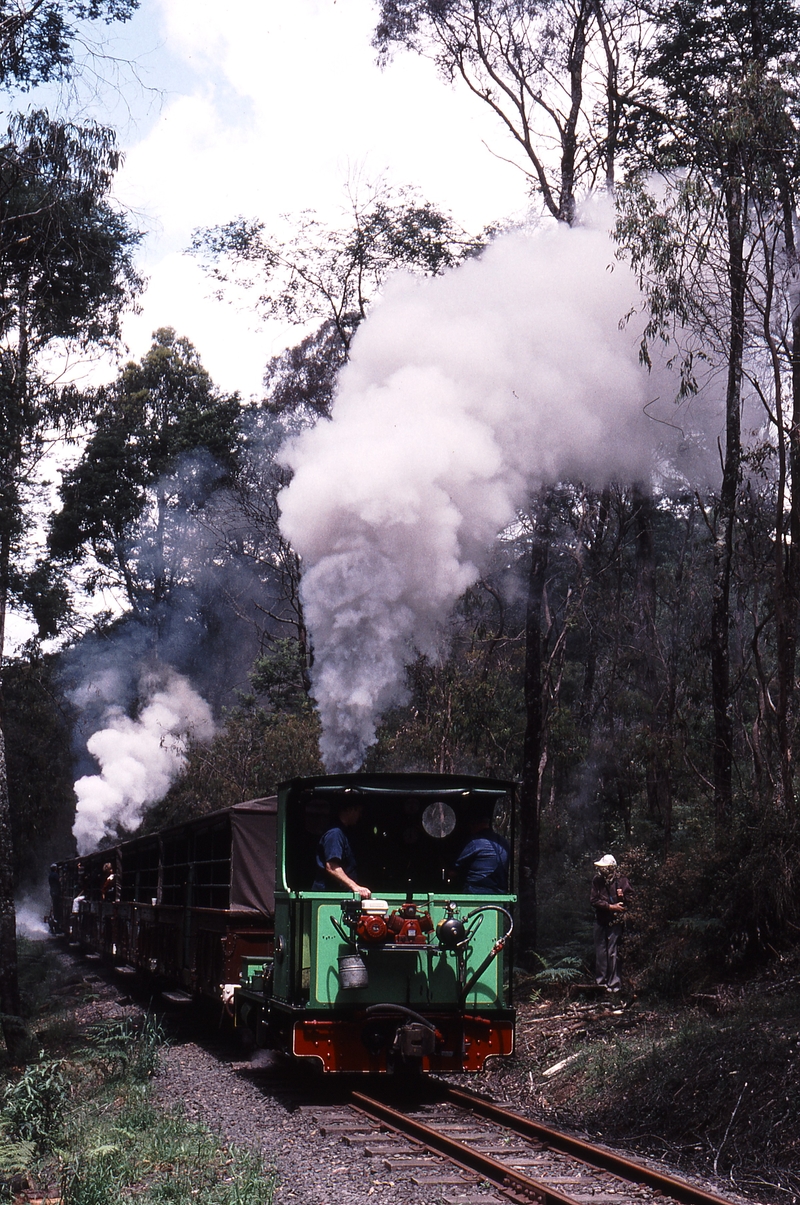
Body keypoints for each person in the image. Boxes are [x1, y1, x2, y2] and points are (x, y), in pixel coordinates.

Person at [590, 853, 632, 992]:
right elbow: (594, 900)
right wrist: (610, 907)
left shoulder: (621, 880)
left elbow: (631, 899)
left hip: (615, 921)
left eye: (605, 867)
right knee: (600, 953)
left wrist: (623, 896)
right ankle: (601, 985)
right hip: (600, 921)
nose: (602, 870)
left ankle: (614, 985)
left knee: (613, 952)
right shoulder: (597, 880)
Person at [312, 802, 371, 898]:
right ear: (350, 810)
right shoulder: (335, 833)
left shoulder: (345, 832)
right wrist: (356, 887)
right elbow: (332, 866)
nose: (359, 816)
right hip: (329, 896)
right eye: (359, 812)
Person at [453, 808, 510, 894]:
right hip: (500, 890)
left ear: (475, 824)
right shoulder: (503, 841)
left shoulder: (475, 842)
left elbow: (458, 863)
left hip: (476, 889)